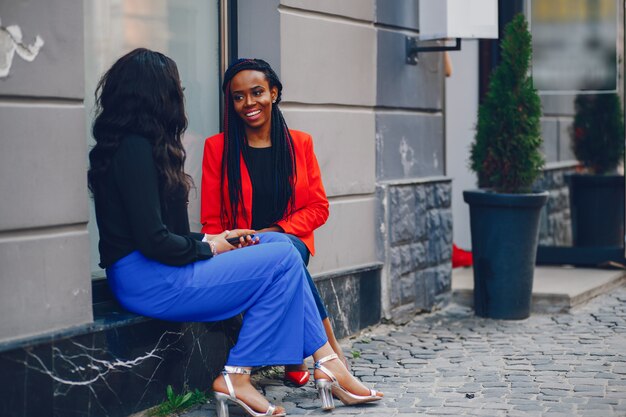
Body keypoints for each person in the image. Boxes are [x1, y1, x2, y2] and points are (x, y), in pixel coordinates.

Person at [88, 48, 382, 417]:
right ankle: (241, 374)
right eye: (175, 88)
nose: (180, 94)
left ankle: (325, 363)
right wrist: (210, 247)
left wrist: (213, 240)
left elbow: (162, 234)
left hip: (158, 269)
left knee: (276, 242)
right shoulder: (133, 150)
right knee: (282, 253)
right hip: (146, 280)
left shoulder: (147, 148)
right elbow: (153, 242)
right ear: (155, 95)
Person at [201, 58, 347, 386]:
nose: (248, 103)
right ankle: (325, 356)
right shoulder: (217, 148)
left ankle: (311, 357)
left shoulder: (300, 144)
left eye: (257, 92)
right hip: (239, 248)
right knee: (285, 257)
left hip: (290, 240)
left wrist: (276, 231)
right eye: (238, 97)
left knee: (284, 250)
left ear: (274, 93)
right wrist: (224, 244)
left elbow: (318, 208)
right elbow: (210, 219)